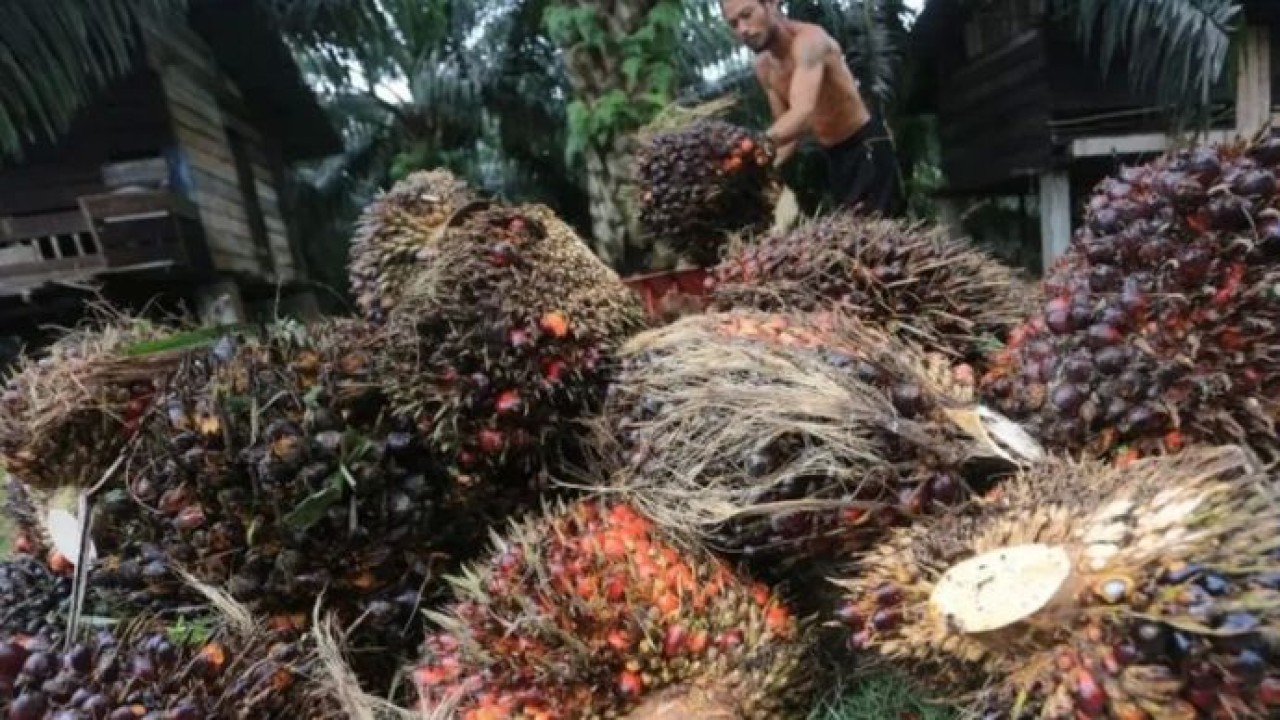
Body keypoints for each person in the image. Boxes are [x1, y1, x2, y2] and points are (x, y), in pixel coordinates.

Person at [720, 0, 906, 218]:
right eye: (733, 24)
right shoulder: (764, 66)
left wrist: (751, 145)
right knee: (854, 237)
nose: (743, 29)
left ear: (771, 4)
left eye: (747, 14)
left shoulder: (811, 42)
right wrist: (756, 168)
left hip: (865, 146)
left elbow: (802, 115)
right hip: (834, 157)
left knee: (879, 236)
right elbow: (788, 136)